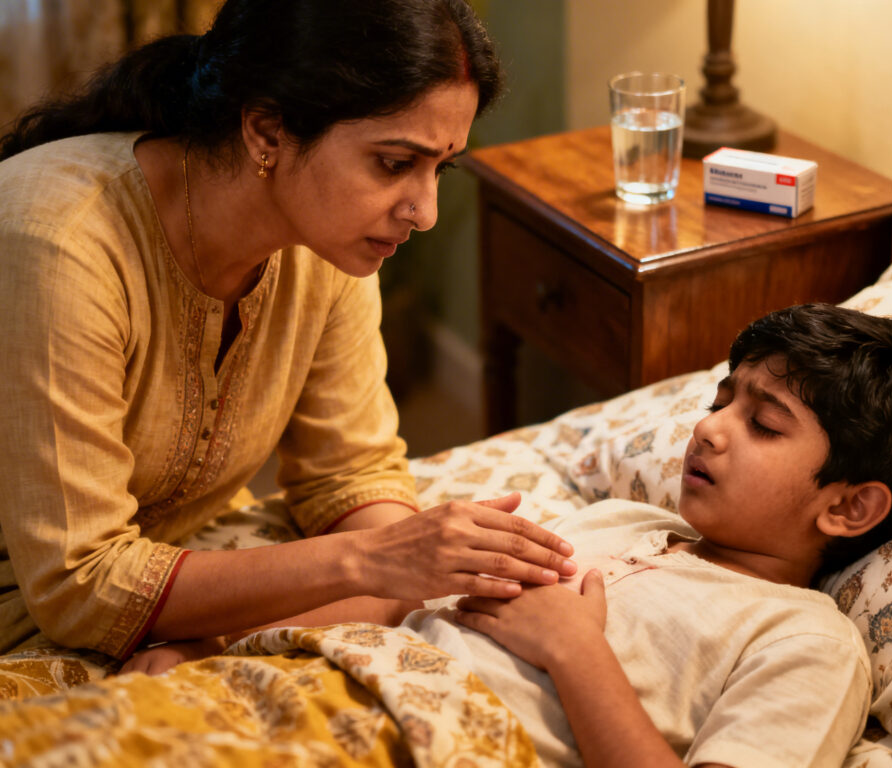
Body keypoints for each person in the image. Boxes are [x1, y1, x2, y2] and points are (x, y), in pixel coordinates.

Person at [122, 303, 892, 767]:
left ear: (848, 508)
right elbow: (403, 593)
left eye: (764, 423)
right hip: (310, 688)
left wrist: (578, 655)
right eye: (722, 397)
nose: (711, 428)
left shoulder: (807, 641)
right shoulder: (627, 521)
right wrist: (225, 651)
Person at [0, 0, 578, 667]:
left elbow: (349, 473)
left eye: (439, 168)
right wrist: (371, 561)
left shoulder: (325, 239)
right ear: (266, 132)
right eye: (394, 164)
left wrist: (419, 571)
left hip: (174, 570)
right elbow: (77, 583)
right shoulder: (62, 245)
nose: (425, 212)